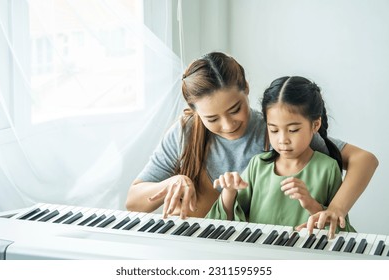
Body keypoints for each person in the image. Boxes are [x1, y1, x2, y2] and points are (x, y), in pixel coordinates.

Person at [126, 52, 378, 238]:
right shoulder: (185, 133)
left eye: (235, 109)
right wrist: (170, 182)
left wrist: (335, 209)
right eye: (212, 118)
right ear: (195, 111)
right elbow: (134, 202)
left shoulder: (276, 131)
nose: (227, 125)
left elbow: (364, 160)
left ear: (246, 89)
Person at [206, 76, 356, 234]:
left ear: (315, 125)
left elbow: (340, 229)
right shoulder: (258, 165)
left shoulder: (328, 168)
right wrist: (229, 192)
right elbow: (224, 224)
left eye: (292, 130)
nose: (282, 140)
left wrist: (310, 204)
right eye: (274, 130)